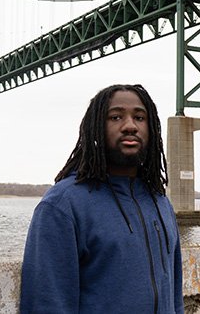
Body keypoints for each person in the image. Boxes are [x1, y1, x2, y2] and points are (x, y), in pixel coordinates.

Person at [20, 84, 184, 314]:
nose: (129, 126)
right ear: (96, 127)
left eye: (139, 117)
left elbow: (175, 296)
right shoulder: (63, 205)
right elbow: (48, 303)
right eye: (115, 117)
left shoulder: (160, 202)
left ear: (152, 128)